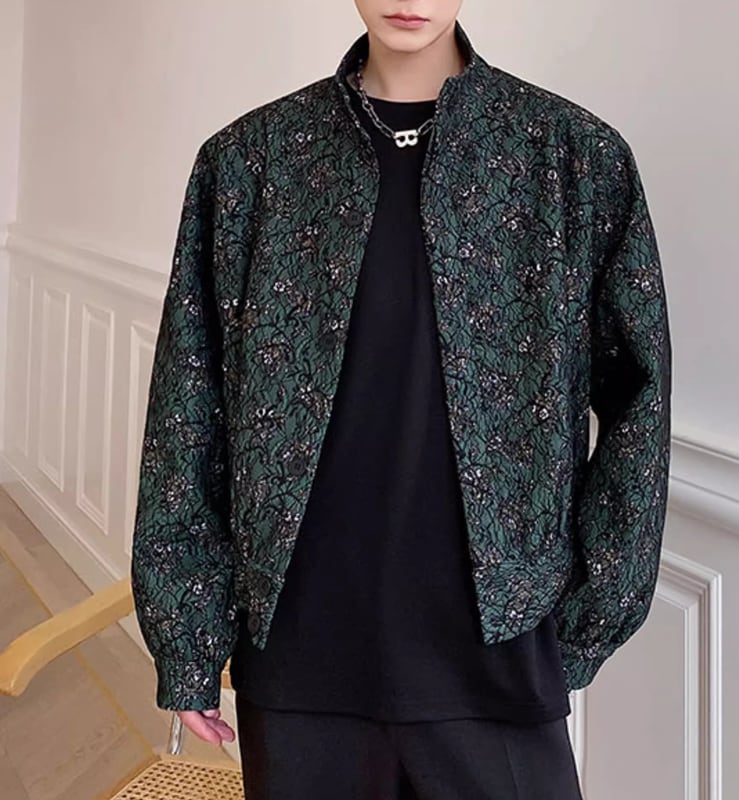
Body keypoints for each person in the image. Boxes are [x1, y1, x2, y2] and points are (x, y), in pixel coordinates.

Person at [130, 3, 672, 799]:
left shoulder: (570, 157)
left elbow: (639, 402)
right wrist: (188, 638)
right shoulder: (249, 162)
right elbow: (188, 409)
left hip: (500, 654)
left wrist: (590, 615)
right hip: (301, 657)